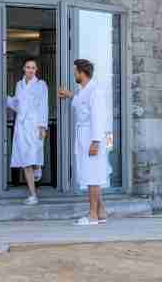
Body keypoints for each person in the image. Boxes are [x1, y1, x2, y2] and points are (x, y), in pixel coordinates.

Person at [58, 59, 107, 225]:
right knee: (91, 174)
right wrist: (70, 95)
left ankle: (92, 215)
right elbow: (81, 102)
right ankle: (101, 212)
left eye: (75, 71)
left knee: (93, 176)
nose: (73, 74)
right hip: (84, 136)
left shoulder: (95, 91)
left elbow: (98, 117)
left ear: (81, 72)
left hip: (91, 138)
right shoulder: (84, 90)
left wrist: (95, 141)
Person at [7, 58, 48, 205]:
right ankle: (33, 195)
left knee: (33, 157)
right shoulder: (19, 84)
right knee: (25, 161)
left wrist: (43, 126)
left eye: (33, 68)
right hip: (21, 126)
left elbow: (43, 105)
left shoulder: (41, 85)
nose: (30, 70)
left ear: (36, 70)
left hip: (35, 126)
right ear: (24, 68)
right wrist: (7, 100)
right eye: (28, 67)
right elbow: (18, 105)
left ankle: (38, 166)